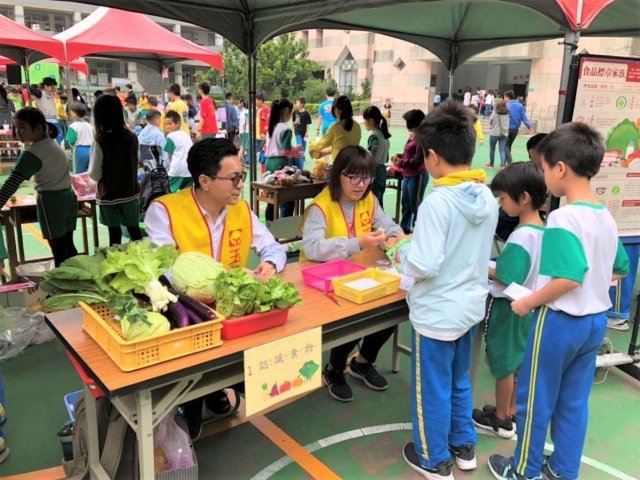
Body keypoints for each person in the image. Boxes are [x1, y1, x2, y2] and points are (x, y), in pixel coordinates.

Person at [488, 122, 630, 480]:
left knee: (535, 400)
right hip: (594, 323)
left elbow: (568, 277)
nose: (544, 175)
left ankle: (523, 470)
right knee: (573, 402)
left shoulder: (564, 217)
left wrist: (528, 301)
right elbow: (620, 269)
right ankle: (563, 470)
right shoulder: (605, 216)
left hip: (559, 323)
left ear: (560, 168)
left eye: (544, 167)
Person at [145, 138, 287, 439]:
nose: (240, 185)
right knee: (191, 356)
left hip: (232, 311)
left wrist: (270, 265)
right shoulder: (164, 211)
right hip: (188, 313)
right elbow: (165, 271)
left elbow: (272, 246)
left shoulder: (241, 209)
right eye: (233, 178)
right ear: (205, 181)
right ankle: (192, 400)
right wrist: (224, 279)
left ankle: (216, 387)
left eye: (241, 176)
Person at [397, 101, 498, 479]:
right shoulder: (483, 195)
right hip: (469, 307)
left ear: (433, 157)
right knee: (459, 381)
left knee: (431, 390)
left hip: (437, 314)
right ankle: (463, 445)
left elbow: (424, 264)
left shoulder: (438, 200)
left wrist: (404, 254)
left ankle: (433, 458)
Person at [301, 145, 405, 401]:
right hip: (324, 281)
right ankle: (334, 369)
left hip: (359, 276)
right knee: (352, 320)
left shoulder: (369, 199)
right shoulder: (320, 206)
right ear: (338, 175)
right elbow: (312, 248)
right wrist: (357, 243)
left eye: (367, 177)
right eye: (354, 177)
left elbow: (386, 224)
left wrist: (395, 237)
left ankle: (362, 361)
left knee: (392, 309)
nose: (361, 184)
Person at [472, 163, 546, 440]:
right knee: (516, 363)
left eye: (503, 198)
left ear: (523, 198)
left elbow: (506, 276)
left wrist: (480, 263)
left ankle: (501, 418)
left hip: (510, 307)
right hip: (529, 306)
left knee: (503, 365)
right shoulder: (543, 230)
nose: (501, 205)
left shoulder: (521, 235)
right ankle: (510, 408)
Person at [0, 108, 78, 266]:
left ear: (38, 128)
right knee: (68, 247)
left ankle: (64, 285)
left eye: (22, 127)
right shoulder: (51, 144)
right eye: (16, 127)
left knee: (59, 252)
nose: (18, 132)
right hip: (68, 197)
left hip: (51, 202)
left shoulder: (33, 152)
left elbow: (12, 183)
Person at [88, 94, 143, 247]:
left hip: (109, 195)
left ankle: (116, 265)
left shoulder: (100, 140)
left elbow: (94, 173)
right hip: (131, 193)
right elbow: (135, 161)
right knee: (135, 231)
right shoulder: (132, 137)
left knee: (115, 235)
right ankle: (144, 262)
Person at [264, 98, 303, 220]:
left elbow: (277, 147)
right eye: (291, 112)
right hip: (280, 163)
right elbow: (285, 151)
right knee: (286, 198)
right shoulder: (285, 129)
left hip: (269, 163)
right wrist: (295, 153)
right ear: (286, 110)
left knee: (271, 198)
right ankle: (284, 226)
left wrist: (293, 149)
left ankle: (270, 225)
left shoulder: (272, 126)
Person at [391, 109, 427, 234]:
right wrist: (401, 156)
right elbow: (409, 154)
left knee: (415, 205)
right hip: (407, 174)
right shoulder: (414, 136)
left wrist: (401, 163)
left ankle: (417, 231)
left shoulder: (422, 139)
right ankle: (405, 228)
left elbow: (418, 160)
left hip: (417, 175)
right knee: (406, 204)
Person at [308, 95, 361, 161]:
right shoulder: (357, 126)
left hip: (340, 164)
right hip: (354, 162)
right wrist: (325, 152)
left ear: (336, 110)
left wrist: (313, 149)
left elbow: (323, 143)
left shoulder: (335, 128)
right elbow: (342, 145)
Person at [362, 105, 391, 207]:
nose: (364, 123)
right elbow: (386, 157)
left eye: (364, 120)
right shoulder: (385, 136)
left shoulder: (374, 136)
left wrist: (371, 158)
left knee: (373, 202)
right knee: (379, 201)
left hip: (375, 171)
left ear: (371, 120)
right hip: (382, 170)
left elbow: (374, 147)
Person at [164, 110, 194, 192]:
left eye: (170, 124)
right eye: (166, 124)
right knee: (187, 193)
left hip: (177, 169)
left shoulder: (171, 136)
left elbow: (170, 155)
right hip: (190, 169)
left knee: (168, 191)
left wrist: (170, 167)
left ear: (178, 124)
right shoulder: (186, 135)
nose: (167, 126)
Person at [504, 90, 532, 164]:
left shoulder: (506, 106)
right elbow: (524, 117)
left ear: (508, 97)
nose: (504, 99)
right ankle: (505, 161)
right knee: (509, 145)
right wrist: (529, 126)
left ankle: (509, 161)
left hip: (506, 128)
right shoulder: (520, 105)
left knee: (504, 145)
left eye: (505, 97)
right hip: (515, 129)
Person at [31, 78, 62, 144]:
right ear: (45, 86)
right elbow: (32, 88)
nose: (53, 89)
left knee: (57, 136)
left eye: (54, 87)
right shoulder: (40, 93)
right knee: (47, 138)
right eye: (52, 87)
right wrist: (38, 85)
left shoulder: (50, 94)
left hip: (54, 119)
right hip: (46, 119)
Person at [66, 102, 94, 174]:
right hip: (90, 149)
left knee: (78, 173)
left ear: (74, 113)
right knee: (89, 172)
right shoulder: (89, 125)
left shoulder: (73, 126)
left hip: (79, 150)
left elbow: (71, 140)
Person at [486, 100, 510, 170]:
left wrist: (492, 125)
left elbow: (490, 121)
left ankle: (491, 164)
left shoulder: (494, 113)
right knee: (502, 150)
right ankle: (502, 165)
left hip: (494, 133)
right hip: (504, 133)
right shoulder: (507, 113)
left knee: (492, 149)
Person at [292, 97, 312, 170]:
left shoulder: (306, 113)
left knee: (304, 145)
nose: (296, 104)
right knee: (299, 145)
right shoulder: (295, 112)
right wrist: (292, 130)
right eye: (296, 102)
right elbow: (293, 122)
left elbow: (307, 124)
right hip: (297, 131)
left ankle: (302, 155)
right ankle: (300, 157)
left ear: (302, 104)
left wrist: (307, 132)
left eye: (298, 103)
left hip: (304, 132)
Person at [237, 99, 250, 165]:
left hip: (242, 131)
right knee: (243, 147)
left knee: (247, 148)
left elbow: (240, 123)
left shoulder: (242, 112)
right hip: (247, 132)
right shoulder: (248, 112)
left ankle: (247, 161)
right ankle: (238, 161)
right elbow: (247, 122)